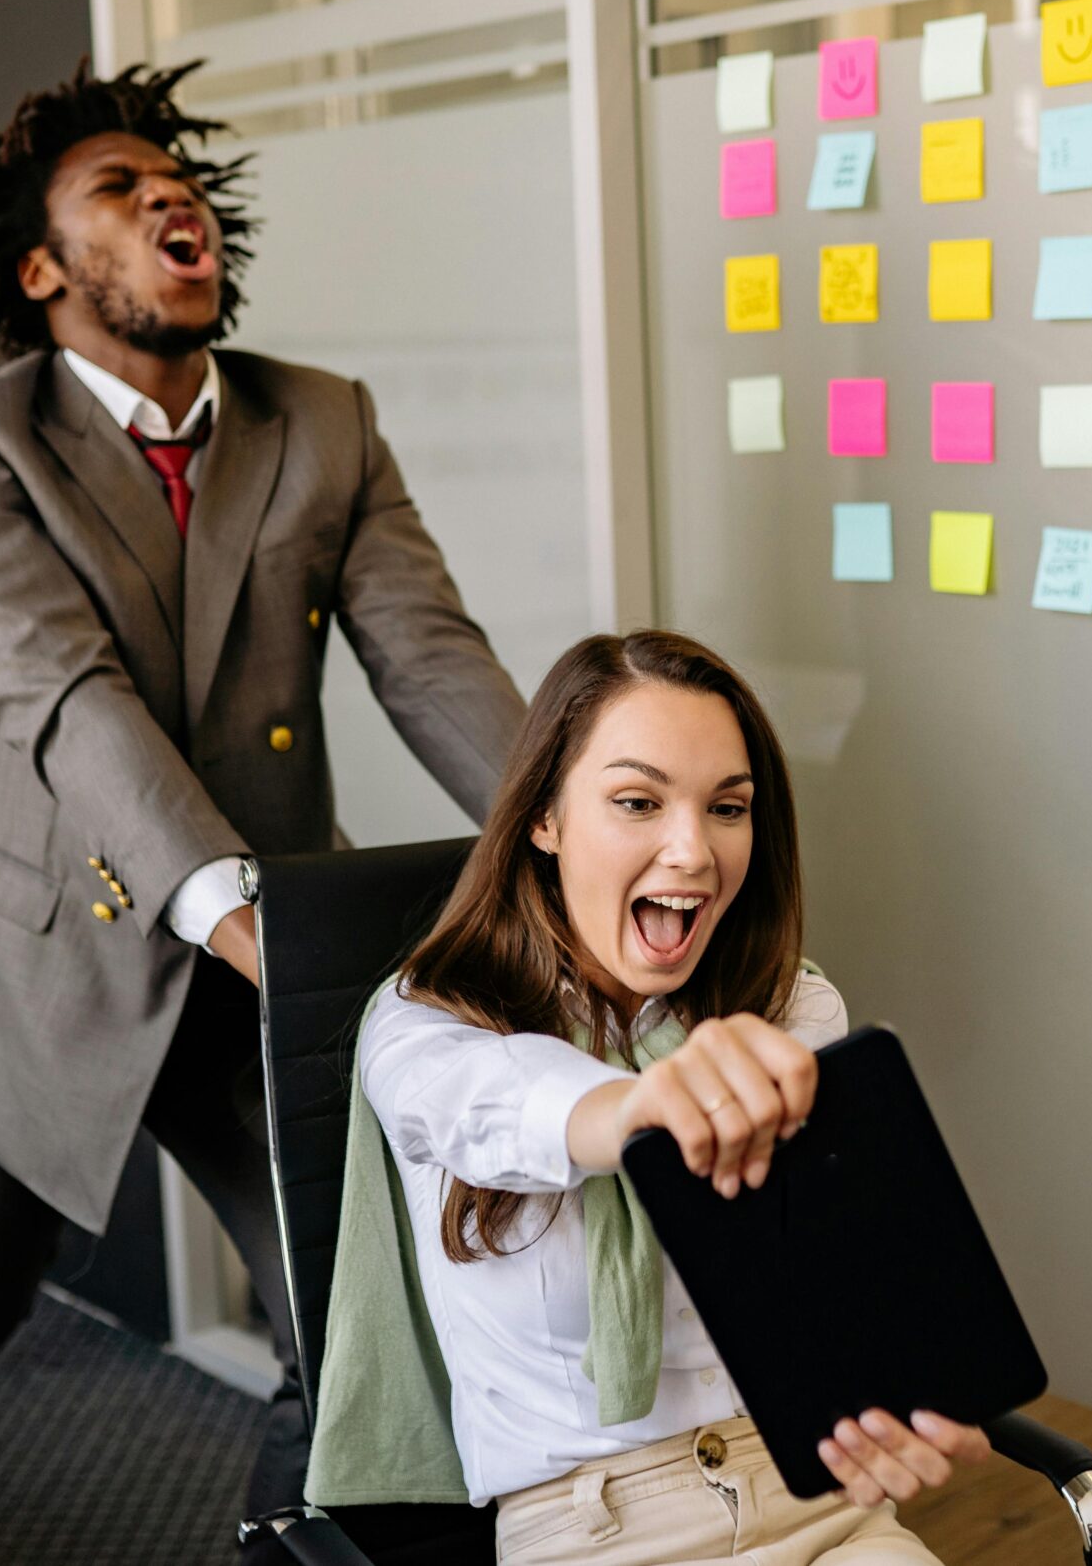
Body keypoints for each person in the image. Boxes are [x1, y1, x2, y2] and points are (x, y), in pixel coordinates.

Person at [0, 61, 528, 1555]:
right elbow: (54, 686)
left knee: (349, 1334)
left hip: (259, 973)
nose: (168, 193)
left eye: (175, 180)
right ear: (44, 268)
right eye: (117, 187)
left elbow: (429, 655)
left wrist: (567, 838)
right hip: (33, 959)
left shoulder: (322, 419)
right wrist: (230, 901)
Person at [312, 630, 986, 1565]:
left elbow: (831, 1276)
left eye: (728, 808)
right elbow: (512, 1104)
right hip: (592, 1530)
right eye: (638, 801)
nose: (693, 849)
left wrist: (911, 1379)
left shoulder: (793, 1008)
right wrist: (644, 1108)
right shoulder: (426, 1025)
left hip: (813, 1493)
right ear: (545, 817)